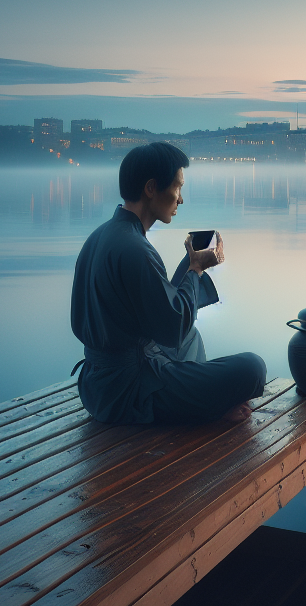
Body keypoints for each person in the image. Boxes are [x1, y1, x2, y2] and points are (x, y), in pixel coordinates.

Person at [70, 142, 265, 424]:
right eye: (178, 187)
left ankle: (203, 400)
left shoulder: (101, 236)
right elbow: (172, 328)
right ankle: (209, 407)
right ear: (151, 188)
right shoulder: (135, 249)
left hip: (95, 386)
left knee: (190, 337)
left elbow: (161, 314)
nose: (180, 199)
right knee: (252, 369)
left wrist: (190, 264)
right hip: (129, 392)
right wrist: (196, 270)